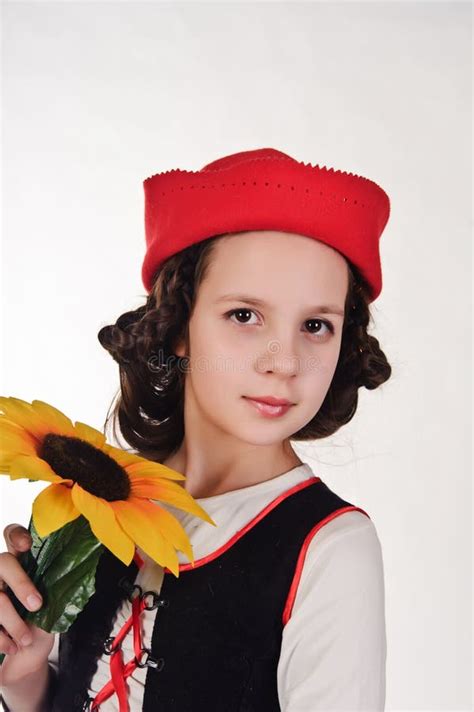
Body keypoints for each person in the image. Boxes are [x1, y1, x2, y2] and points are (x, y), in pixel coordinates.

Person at [0, 146, 391, 711]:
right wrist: (24, 677)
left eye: (316, 325)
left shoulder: (330, 550)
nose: (284, 361)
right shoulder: (100, 506)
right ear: (178, 325)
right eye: (244, 316)